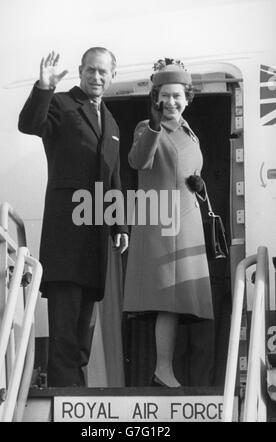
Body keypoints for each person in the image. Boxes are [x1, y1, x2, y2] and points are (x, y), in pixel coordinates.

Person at [18, 48, 128, 387]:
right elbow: (29, 125)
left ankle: (76, 391)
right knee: (65, 321)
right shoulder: (62, 104)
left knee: (83, 326)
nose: (97, 77)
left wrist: (119, 224)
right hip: (65, 235)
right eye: (91, 70)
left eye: (103, 72)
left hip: (94, 237)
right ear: (81, 71)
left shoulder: (111, 121)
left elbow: (113, 178)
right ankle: (65, 394)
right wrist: (43, 87)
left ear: (112, 75)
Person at [123, 58, 213, 387]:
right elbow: (137, 161)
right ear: (156, 99)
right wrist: (155, 126)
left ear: (187, 98)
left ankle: (165, 370)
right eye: (165, 96)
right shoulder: (147, 129)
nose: (171, 102)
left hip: (187, 222)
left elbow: (188, 169)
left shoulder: (190, 132)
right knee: (167, 301)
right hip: (161, 224)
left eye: (177, 96)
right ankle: (163, 370)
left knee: (178, 303)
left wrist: (199, 183)